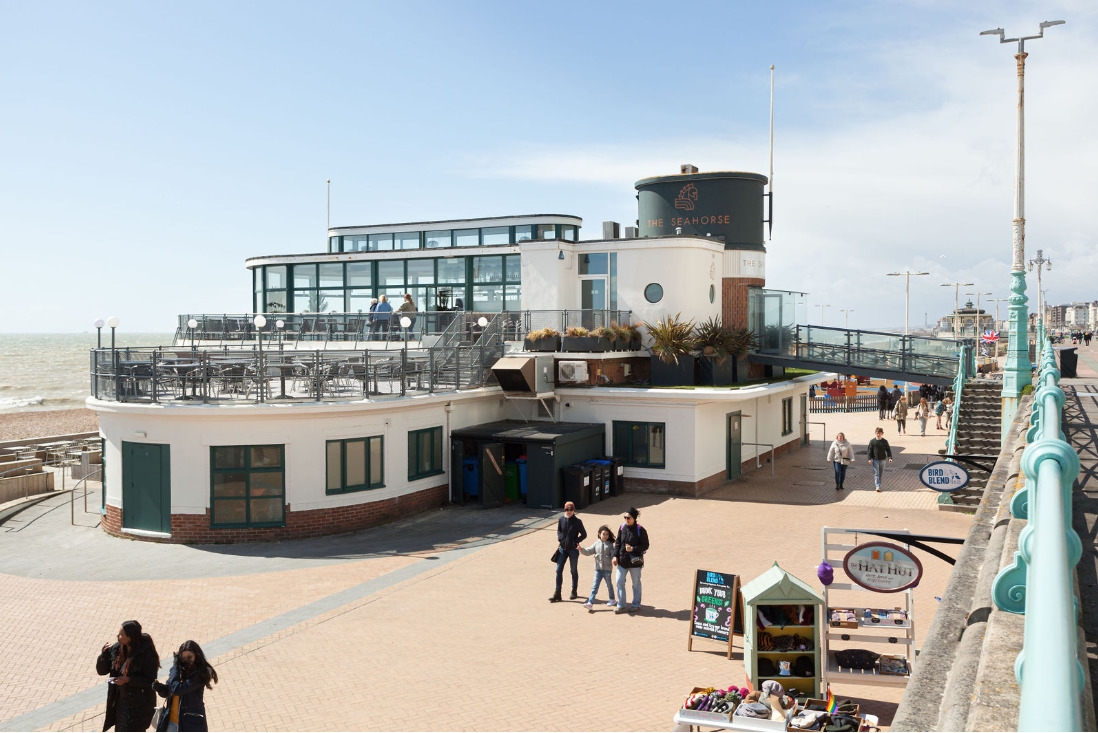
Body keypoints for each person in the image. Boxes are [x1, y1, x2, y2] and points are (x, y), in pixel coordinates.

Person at [96, 620, 160, 732]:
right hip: (121, 703)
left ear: (130, 637)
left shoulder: (146, 654)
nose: (118, 636)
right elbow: (102, 671)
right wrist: (103, 655)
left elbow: (150, 680)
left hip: (139, 705)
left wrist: (128, 680)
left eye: (121, 634)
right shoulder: (117, 649)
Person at [153, 640, 218, 732]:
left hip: (190, 723)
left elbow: (178, 689)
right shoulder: (180, 671)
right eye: (183, 658)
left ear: (196, 655)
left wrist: (175, 667)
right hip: (171, 721)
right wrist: (160, 688)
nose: (186, 661)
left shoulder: (201, 673)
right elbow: (169, 690)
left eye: (189, 657)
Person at [613, 507, 650, 614]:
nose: (626, 519)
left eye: (628, 517)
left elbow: (645, 545)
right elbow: (618, 543)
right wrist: (615, 556)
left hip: (635, 563)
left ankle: (636, 604)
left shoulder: (640, 530)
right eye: (625, 517)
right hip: (622, 561)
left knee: (635, 583)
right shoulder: (622, 527)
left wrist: (633, 548)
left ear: (634, 518)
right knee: (619, 582)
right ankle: (621, 604)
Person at [549, 501, 587, 602]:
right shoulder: (561, 519)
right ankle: (557, 593)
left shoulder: (578, 522)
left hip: (573, 550)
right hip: (562, 549)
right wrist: (560, 538)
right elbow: (559, 531)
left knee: (573, 570)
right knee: (558, 570)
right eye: (567, 509)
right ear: (564, 509)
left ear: (573, 510)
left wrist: (575, 541)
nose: (569, 511)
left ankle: (574, 590)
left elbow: (584, 534)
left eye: (571, 510)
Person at [579, 525, 617, 611]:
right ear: (599, 534)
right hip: (598, 569)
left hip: (607, 569)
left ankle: (612, 599)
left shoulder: (610, 545)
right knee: (594, 586)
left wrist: (614, 559)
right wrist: (581, 549)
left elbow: (613, 554)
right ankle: (590, 603)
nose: (605, 536)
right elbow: (589, 551)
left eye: (607, 534)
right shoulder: (596, 543)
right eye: (604, 534)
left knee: (609, 585)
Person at [866, 427, 893, 492]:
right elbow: (869, 450)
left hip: (883, 459)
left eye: (879, 433)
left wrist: (890, 458)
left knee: (880, 473)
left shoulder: (884, 441)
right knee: (876, 473)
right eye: (877, 433)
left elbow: (888, 450)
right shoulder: (872, 441)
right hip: (875, 460)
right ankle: (877, 486)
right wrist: (869, 459)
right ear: (875, 433)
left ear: (882, 433)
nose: (878, 434)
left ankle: (879, 484)